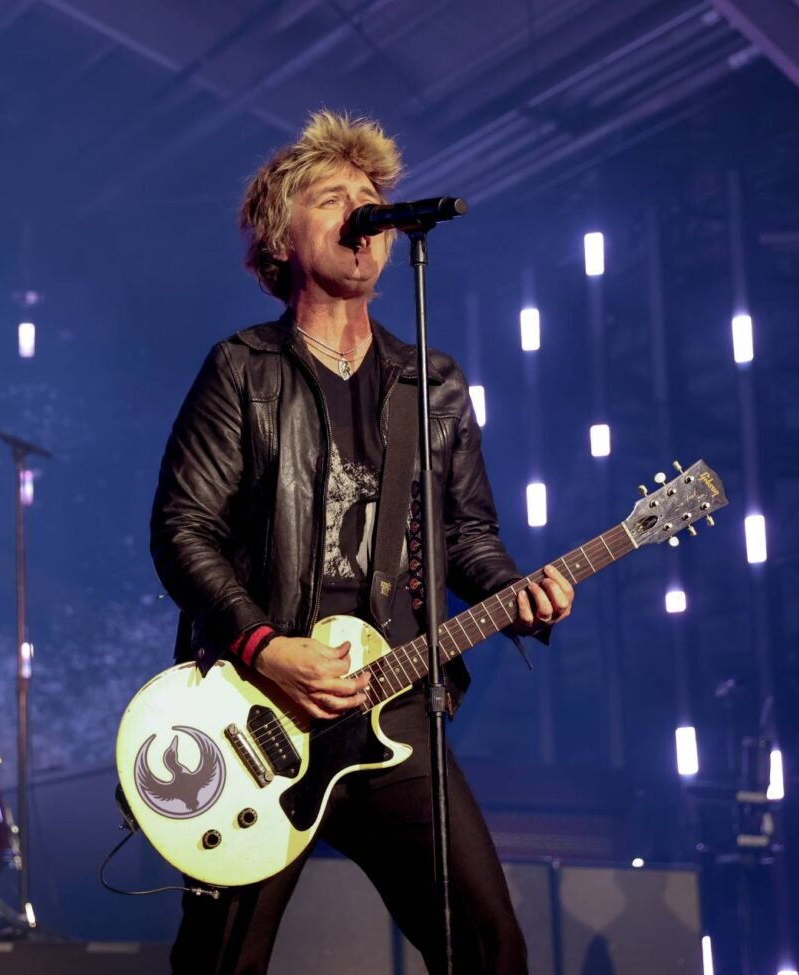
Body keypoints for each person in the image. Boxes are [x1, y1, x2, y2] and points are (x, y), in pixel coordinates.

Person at [149, 110, 575, 974]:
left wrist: (516, 591)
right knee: (222, 963)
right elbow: (181, 528)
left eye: (370, 198)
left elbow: (468, 534)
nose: (361, 213)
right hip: (261, 706)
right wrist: (264, 647)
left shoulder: (433, 383)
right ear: (281, 238)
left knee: (490, 947)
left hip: (395, 702)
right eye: (332, 198)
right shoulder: (243, 370)